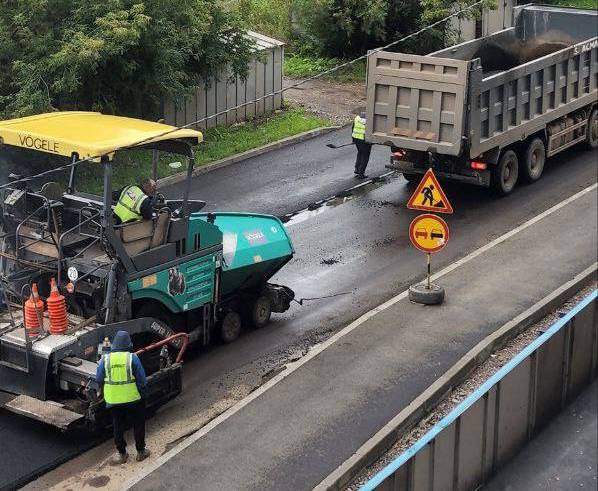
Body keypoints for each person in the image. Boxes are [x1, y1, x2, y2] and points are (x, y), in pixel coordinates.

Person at [96, 330, 150, 464]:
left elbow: (99, 378)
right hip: (133, 398)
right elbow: (142, 380)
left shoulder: (106, 359)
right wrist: (143, 394)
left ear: (114, 344)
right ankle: (141, 452)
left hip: (113, 400)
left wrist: (103, 392)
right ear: (129, 344)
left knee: (118, 426)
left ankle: (122, 454)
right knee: (138, 424)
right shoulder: (132, 358)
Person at [352, 111, 372, 179]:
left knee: (360, 153)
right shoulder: (369, 121)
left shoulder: (357, 118)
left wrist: (353, 140)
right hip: (365, 141)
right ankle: (361, 174)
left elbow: (353, 128)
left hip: (356, 139)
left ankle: (357, 169)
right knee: (365, 156)